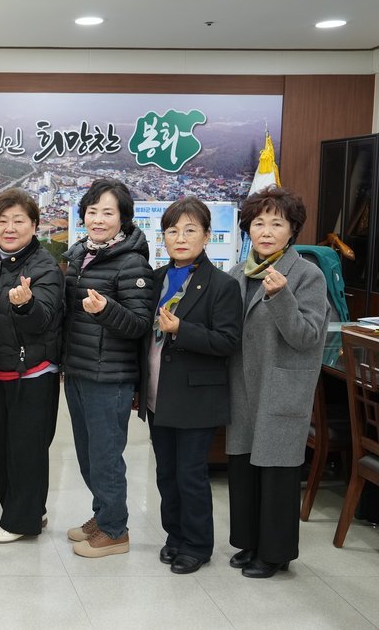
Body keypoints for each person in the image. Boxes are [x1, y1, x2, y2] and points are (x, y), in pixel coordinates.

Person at [226, 185, 328, 578]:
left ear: (292, 230)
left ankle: (275, 553)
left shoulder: (307, 275)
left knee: (277, 472)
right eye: (258, 223)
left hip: (280, 387)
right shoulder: (238, 272)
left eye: (277, 223)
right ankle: (250, 543)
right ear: (248, 229)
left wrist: (282, 297)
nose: (266, 231)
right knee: (245, 468)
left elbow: (307, 337)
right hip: (242, 386)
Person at [138, 197, 243, 574]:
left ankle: (197, 545)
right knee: (166, 474)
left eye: (190, 230)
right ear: (163, 236)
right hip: (159, 394)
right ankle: (175, 536)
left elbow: (227, 341)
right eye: (172, 231)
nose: (180, 238)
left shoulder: (223, 285)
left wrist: (182, 329)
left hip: (197, 397)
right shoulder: (156, 280)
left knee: (190, 475)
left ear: (207, 236)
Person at [62, 178, 152, 557]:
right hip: (78, 369)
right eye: (92, 211)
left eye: (107, 212)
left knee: (106, 457)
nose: (98, 219)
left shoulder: (132, 262)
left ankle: (115, 530)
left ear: (123, 218)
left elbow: (139, 324)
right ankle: (103, 516)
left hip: (109, 376)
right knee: (87, 455)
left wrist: (106, 310)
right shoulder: (79, 255)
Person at [0, 189, 65, 544]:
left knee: (27, 450)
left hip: (32, 372)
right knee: (5, 449)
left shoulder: (44, 267)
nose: (9, 228)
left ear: (34, 225)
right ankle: (28, 511)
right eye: (2, 221)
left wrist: (26, 305)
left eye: (18, 221)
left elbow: (43, 319)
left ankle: (19, 522)